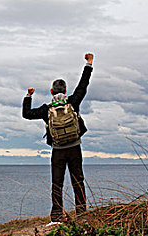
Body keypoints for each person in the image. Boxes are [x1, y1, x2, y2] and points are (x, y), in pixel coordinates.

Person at [22, 53, 94, 225]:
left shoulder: (46, 109)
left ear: (51, 92)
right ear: (66, 91)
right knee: (78, 181)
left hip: (58, 151)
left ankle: (56, 217)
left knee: (57, 184)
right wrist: (89, 64)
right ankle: (82, 214)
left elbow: (27, 114)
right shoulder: (73, 102)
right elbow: (83, 85)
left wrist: (28, 96)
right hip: (75, 148)